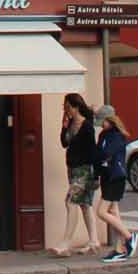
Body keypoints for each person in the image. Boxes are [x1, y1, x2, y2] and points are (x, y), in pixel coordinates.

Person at [52, 93, 103, 255]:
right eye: (64, 108)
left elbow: (92, 150)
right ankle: (94, 241)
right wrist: (64, 125)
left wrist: (96, 174)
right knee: (84, 204)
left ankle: (66, 243)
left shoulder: (86, 126)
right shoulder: (71, 123)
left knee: (70, 201)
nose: (66, 110)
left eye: (68, 107)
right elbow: (64, 143)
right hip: (73, 168)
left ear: (76, 107)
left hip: (84, 169)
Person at [94, 105, 138, 262]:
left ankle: (129, 236)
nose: (101, 125)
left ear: (111, 120)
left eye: (103, 121)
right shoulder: (103, 135)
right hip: (107, 177)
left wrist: (99, 156)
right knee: (113, 212)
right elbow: (99, 155)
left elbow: (105, 153)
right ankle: (119, 249)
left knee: (101, 212)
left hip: (116, 177)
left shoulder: (118, 136)